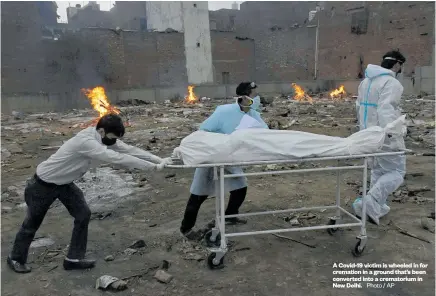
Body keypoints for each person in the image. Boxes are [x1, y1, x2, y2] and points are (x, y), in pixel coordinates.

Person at [7, 114, 172, 273]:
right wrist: (151, 167)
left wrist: (158, 159)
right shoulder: (86, 142)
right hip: (42, 185)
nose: (114, 141)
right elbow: (116, 158)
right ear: (101, 132)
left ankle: (73, 259)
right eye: (113, 137)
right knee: (31, 225)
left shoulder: (103, 137)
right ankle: (16, 259)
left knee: (83, 214)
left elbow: (128, 150)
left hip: (64, 184)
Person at [180, 82, 268, 241]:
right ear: (244, 97)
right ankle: (186, 228)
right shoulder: (224, 112)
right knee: (199, 194)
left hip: (231, 158)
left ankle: (230, 216)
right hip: (213, 157)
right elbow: (204, 130)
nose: (257, 98)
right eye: (254, 95)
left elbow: (264, 133)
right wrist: (219, 144)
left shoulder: (253, 114)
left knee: (240, 187)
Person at [352, 50, 407, 225]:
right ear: (397, 64)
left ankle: (376, 206)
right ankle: (372, 201)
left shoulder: (366, 82)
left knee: (378, 170)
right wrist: (393, 134)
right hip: (384, 135)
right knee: (397, 172)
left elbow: (359, 107)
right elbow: (386, 110)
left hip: (368, 135)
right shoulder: (392, 83)